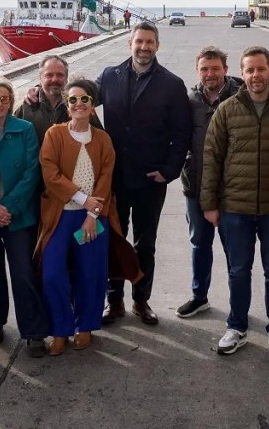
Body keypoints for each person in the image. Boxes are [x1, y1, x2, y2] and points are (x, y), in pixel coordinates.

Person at [201, 46, 269, 359]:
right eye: (249, 70)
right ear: (242, 73)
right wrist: (209, 204)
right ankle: (236, 326)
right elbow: (212, 159)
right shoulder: (227, 110)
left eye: (260, 69)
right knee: (238, 271)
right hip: (235, 208)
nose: (255, 75)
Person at [36, 78, 141, 356]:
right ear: (67, 106)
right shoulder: (54, 135)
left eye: (84, 99)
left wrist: (93, 214)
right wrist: (82, 199)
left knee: (91, 274)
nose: (79, 104)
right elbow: (50, 174)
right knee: (52, 274)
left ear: (93, 106)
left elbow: (106, 180)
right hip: (61, 217)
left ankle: (85, 327)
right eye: (73, 100)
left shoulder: (103, 139)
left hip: (93, 219)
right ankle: (60, 329)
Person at [97, 21, 192, 326]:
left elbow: (182, 133)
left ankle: (141, 299)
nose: (144, 47)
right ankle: (115, 301)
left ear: (157, 46)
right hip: (114, 178)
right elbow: (80, 98)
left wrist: (169, 171)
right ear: (130, 44)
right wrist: (38, 91)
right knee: (114, 239)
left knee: (145, 242)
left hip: (151, 179)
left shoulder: (171, 84)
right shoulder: (109, 76)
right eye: (139, 41)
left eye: (150, 42)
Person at [0, 77, 48, 358]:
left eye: (4, 98)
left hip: (19, 214)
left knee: (24, 272)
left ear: (11, 102)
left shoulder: (25, 130)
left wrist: (9, 208)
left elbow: (33, 172)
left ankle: (34, 330)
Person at [175, 46, 242, 318]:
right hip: (197, 186)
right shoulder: (189, 100)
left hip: (233, 190)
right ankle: (199, 296)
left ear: (225, 69)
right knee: (200, 244)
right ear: (197, 71)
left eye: (215, 68)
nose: (210, 73)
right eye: (204, 68)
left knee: (234, 251)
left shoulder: (242, 96)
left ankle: (238, 304)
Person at [15, 55, 103, 145]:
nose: (54, 79)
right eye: (49, 75)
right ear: (40, 78)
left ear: (66, 77)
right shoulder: (27, 107)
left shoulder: (81, 105)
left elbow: (98, 138)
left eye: (60, 75)